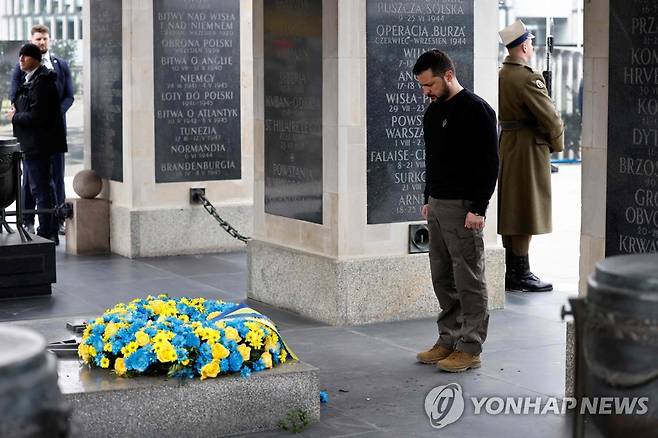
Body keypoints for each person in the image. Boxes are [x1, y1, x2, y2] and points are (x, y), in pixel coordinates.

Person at [413, 50, 499, 373]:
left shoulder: (477, 111)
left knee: (469, 278)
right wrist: (427, 196)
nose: (426, 92)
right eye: (422, 86)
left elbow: (489, 164)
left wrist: (479, 207)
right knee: (442, 276)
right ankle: (448, 337)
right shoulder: (432, 114)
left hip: (464, 209)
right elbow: (432, 160)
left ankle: (471, 346)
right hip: (436, 205)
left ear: (448, 75)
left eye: (430, 84)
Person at [497, 20, 564, 292]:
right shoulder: (527, 78)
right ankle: (521, 273)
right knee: (525, 209)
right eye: (531, 43)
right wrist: (556, 144)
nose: (533, 47)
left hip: (508, 144)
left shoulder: (501, 74)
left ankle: (512, 270)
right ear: (524, 45)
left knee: (511, 207)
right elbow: (551, 119)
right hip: (527, 148)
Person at [10, 24, 74, 236]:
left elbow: (67, 96)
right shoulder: (24, 73)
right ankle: (30, 220)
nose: (42, 42)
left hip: (47, 136)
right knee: (34, 182)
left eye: (45, 38)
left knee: (51, 181)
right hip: (33, 138)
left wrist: (55, 114)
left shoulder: (54, 70)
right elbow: (16, 97)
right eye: (38, 39)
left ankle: (51, 226)